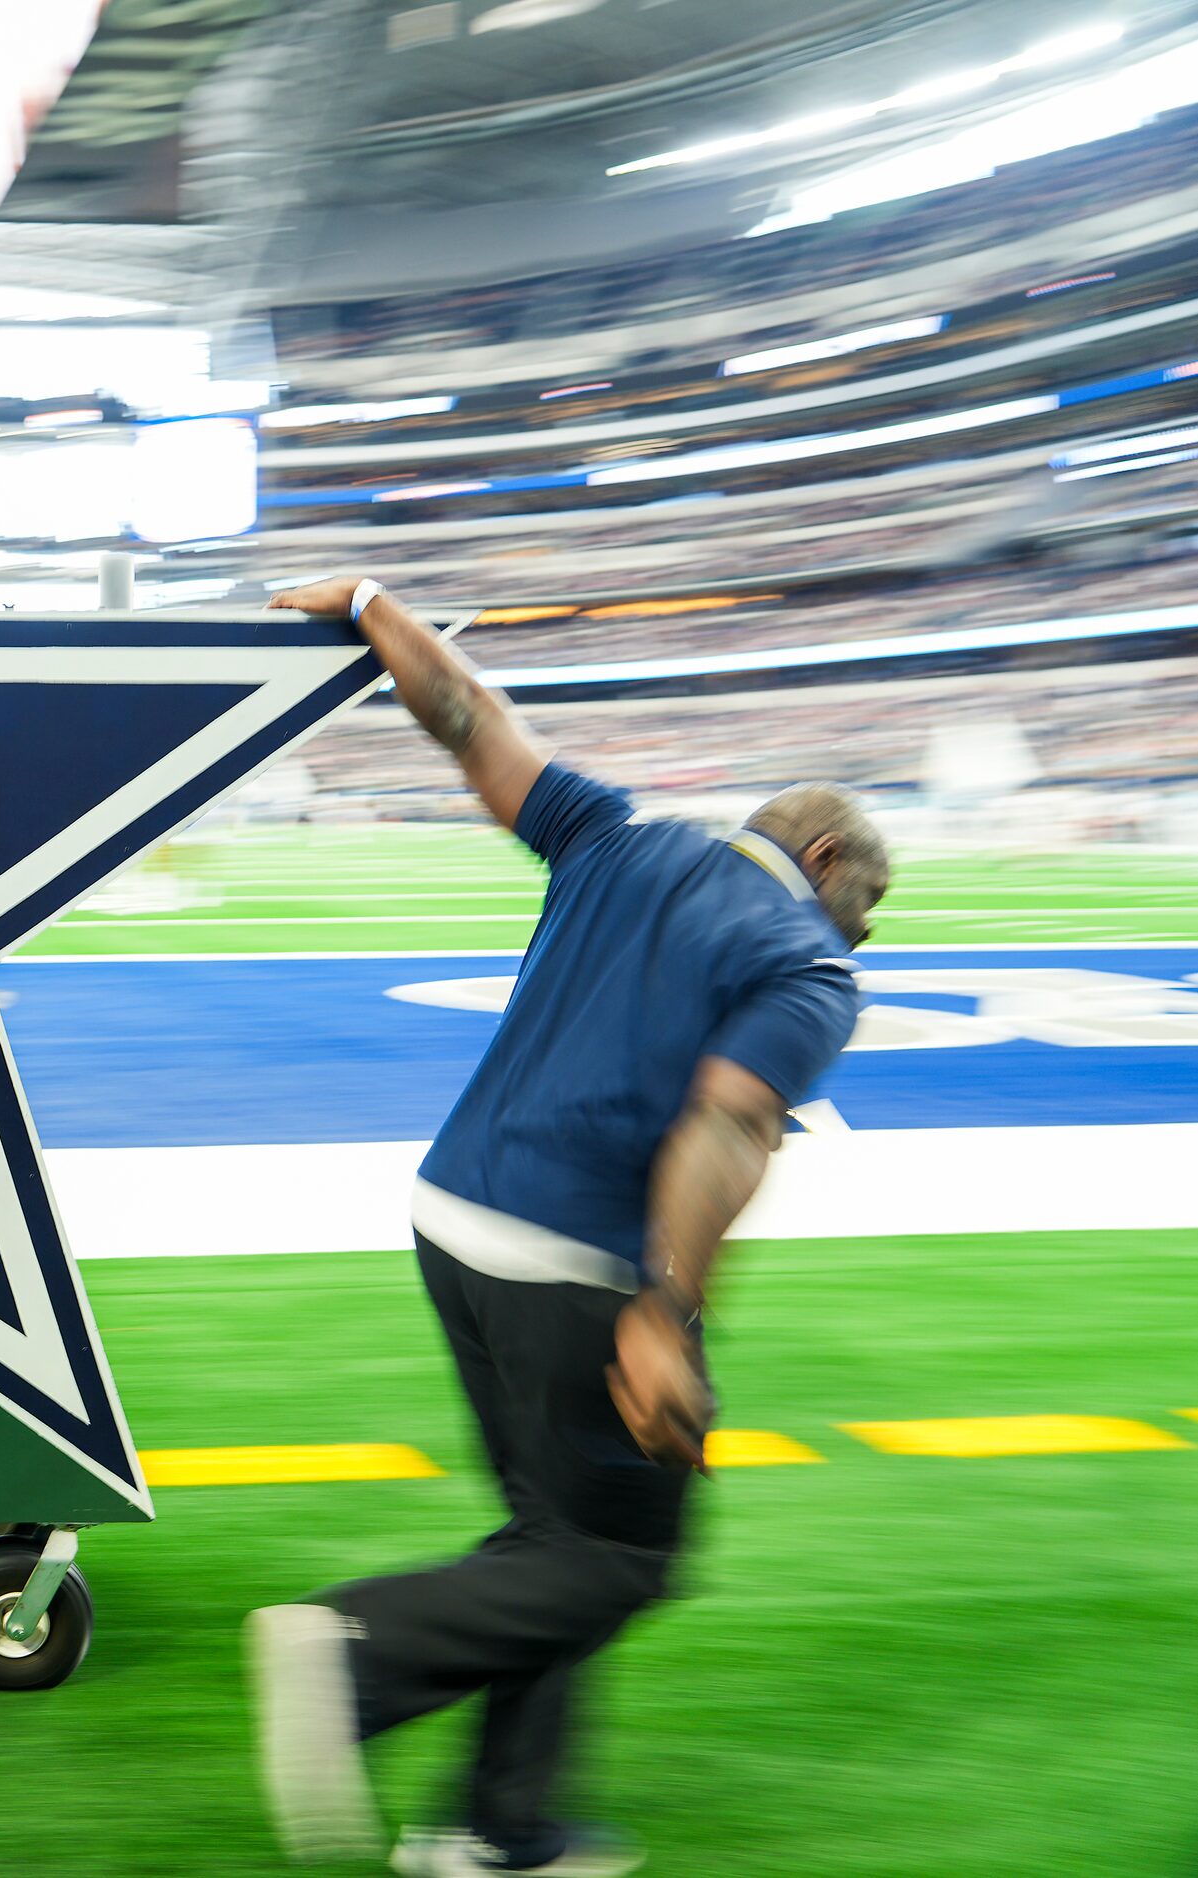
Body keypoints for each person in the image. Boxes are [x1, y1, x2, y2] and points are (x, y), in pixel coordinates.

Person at [248, 578, 887, 1877]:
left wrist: (374, 602)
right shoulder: (808, 960)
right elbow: (726, 1126)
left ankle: (503, 1831)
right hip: (571, 1260)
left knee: (553, 1534)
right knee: (615, 1552)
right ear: (821, 863)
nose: (862, 935)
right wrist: (665, 1313)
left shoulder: (614, 833)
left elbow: (467, 715)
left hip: (449, 1216)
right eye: (864, 906)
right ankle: (357, 1654)